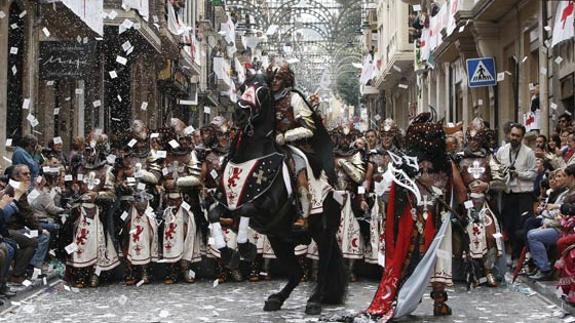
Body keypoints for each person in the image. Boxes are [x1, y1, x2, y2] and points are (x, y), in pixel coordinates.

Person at [366, 113, 466, 320]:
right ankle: (439, 302)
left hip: (413, 219)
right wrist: (465, 211)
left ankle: (405, 294)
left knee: (410, 257)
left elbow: (388, 191)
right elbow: (462, 191)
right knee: (440, 258)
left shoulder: (406, 163)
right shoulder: (447, 163)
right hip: (439, 218)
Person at [63, 130, 120, 288]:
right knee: (76, 239)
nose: (87, 154)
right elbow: (71, 186)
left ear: (100, 151)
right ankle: (78, 272)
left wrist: (97, 195)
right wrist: (73, 190)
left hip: (98, 212)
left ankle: (97, 272)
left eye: (90, 150)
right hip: (80, 211)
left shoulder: (107, 170)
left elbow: (111, 194)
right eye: (85, 150)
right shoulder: (78, 168)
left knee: (97, 242)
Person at [459, 127, 504, 287]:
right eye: (470, 139)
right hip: (466, 203)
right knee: (469, 236)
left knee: (492, 235)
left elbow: (501, 183)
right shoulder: (460, 159)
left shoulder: (490, 158)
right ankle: (471, 272)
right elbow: (455, 183)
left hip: (485, 203)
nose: (473, 143)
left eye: (476, 140)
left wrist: (487, 185)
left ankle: (488, 270)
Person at [496, 123, 537, 263]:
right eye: (512, 135)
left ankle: (518, 256)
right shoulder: (502, 151)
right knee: (508, 224)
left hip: (523, 194)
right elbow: (496, 168)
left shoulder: (529, 153)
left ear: (522, 137)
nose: (514, 138)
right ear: (509, 135)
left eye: (517, 136)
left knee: (521, 225)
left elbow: (533, 174)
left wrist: (518, 174)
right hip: (508, 192)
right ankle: (512, 253)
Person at [525, 169, 568, 281]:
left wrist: (547, 219)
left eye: (560, 176)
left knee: (533, 235)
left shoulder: (566, 195)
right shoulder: (559, 193)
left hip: (562, 229)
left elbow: (558, 214)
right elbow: (547, 210)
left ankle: (544, 269)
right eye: (555, 177)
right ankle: (537, 263)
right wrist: (547, 214)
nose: (556, 179)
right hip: (553, 224)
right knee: (530, 227)